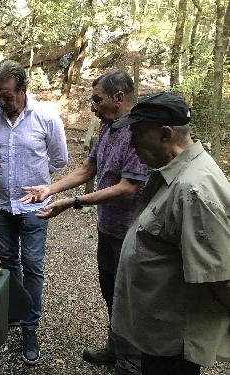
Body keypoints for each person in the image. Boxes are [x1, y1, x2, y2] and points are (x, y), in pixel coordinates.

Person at [21, 70, 147, 374]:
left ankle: (132, 365)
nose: (92, 106)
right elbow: (88, 169)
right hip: (108, 228)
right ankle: (115, 348)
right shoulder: (108, 127)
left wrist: (74, 202)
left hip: (132, 233)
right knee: (110, 291)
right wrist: (50, 189)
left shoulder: (140, 132)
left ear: (118, 98)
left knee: (130, 299)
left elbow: (128, 187)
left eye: (97, 99)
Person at [111, 92, 230, 375]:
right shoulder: (174, 171)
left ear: (165, 134)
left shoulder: (194, 190)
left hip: (172, 344)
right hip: (158, 335)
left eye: (137, 134)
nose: (131, 143)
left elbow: (221, 279)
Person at [0, 60, 68, 365]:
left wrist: (37, 183)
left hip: (34, 208)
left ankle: (30, 328)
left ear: (23, 90)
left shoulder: (45, 117)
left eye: (8, 96)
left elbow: (59, 160)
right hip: (0, 204)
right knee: (7, 261)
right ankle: (14, 312)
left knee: (32, 265)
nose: (2, 102)